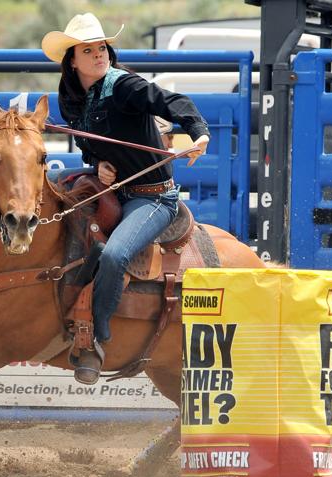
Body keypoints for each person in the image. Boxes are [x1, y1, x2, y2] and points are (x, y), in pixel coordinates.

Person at [41, 13, 210, 384]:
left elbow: (172, 102)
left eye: (101, 47)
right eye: (89, 50)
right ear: (73, 60)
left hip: (152, 198)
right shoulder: (69, 99)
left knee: (116, 254)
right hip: (112, 188)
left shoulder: (124, 86)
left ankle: (96, 340)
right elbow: (87, 145)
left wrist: (197, 132)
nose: (99, 54)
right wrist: (99, 163)